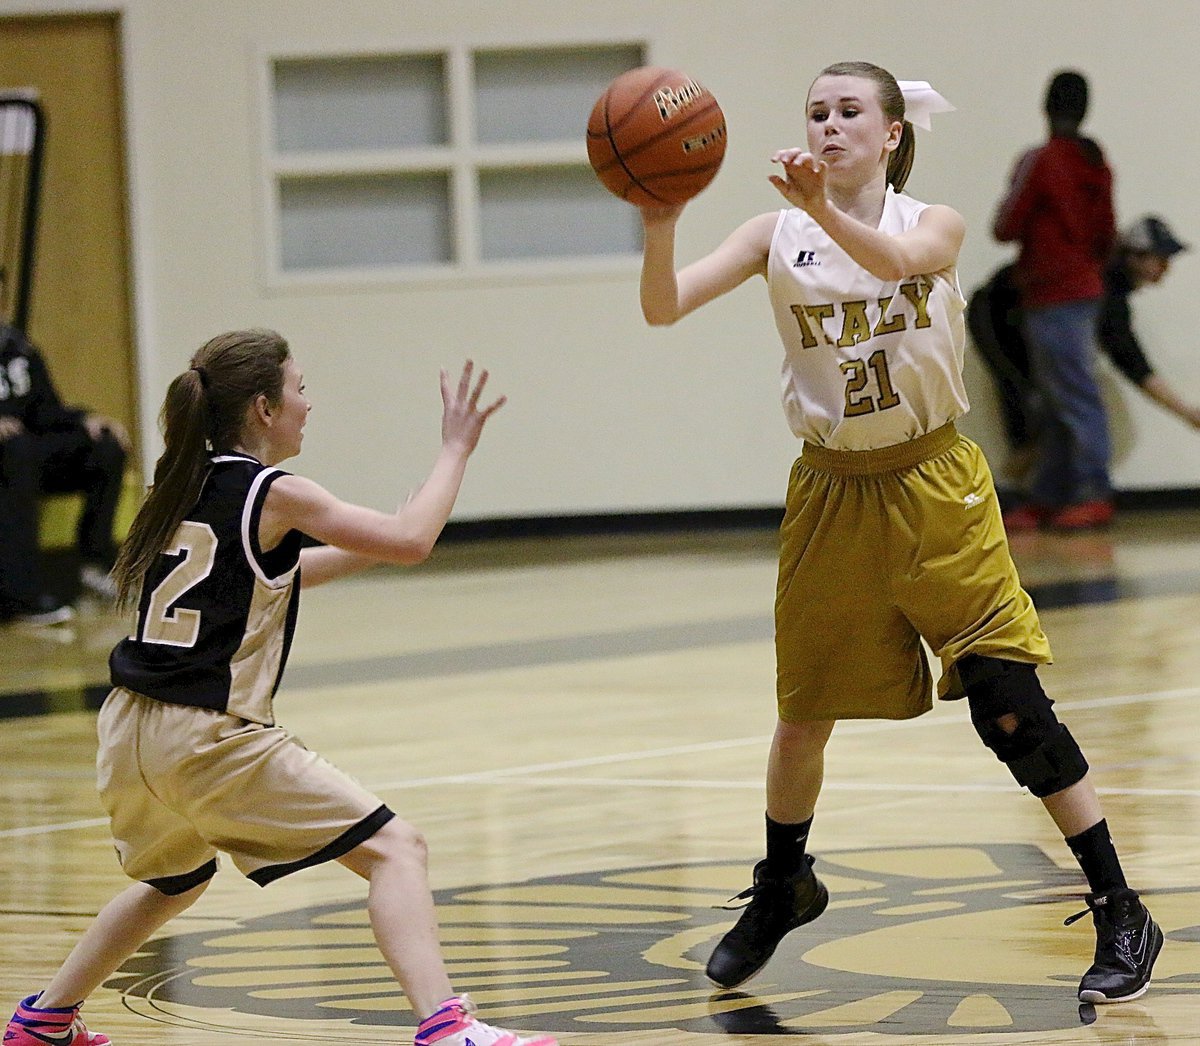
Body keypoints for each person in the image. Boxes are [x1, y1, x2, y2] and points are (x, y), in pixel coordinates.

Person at [636, 61, 1161, 1005]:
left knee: (1008, 702)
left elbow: (896, 265)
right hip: (833, 490)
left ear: (890, 134)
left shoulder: (935, 223)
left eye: (849, 113)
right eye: (816, 112)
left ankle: (1121, 904)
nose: (829, 125)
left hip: (936, 484)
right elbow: (663, 305)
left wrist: (822, 210)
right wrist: (662, 216)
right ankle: (784, 882)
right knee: (803, 715)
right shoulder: (774, 233)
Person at [3, 330, 556, 1046]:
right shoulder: (274, 491)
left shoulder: (174, 484)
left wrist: (379, 542)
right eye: (299, 388)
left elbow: (278, 577)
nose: (308, 403)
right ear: (263, 408)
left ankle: (43, 1018)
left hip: (127, 730)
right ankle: (446, 1028)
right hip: (207, 735)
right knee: (397, 850)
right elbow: (414, 541)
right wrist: (453, 453)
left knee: (174, 881)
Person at [969, 215, 1196, 510]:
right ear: (1135, 255)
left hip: (1019, 323)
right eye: (1161, 259)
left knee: (1054, 410)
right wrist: (1186, 412)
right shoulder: (1097, 282)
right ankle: (1025, 497)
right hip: (997, 320)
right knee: (1040, 410)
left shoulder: (1105, 285)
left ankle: (1035, 497)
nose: (1166, 270)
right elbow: (1132, 362)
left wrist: (1186, 413)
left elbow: (1130, 359)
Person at [992, 71, 1118, 531]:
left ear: (1046, 107)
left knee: (1070, 397)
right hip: (1084, 290)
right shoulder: (1096, 163)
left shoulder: (1041, 160)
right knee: (1065, 395)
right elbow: (1106, 232)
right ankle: (1051, 493)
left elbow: (1005, 224)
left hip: (1049, 294)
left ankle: (1090, 491)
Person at [0, 322, 130, 624]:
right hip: (9, 459)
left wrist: (85, 420)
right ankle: (20, 595)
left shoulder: (21, 350)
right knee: (16, 450)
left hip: (27, 457)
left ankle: (93, 565)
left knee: (107, 447)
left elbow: (47, 413)